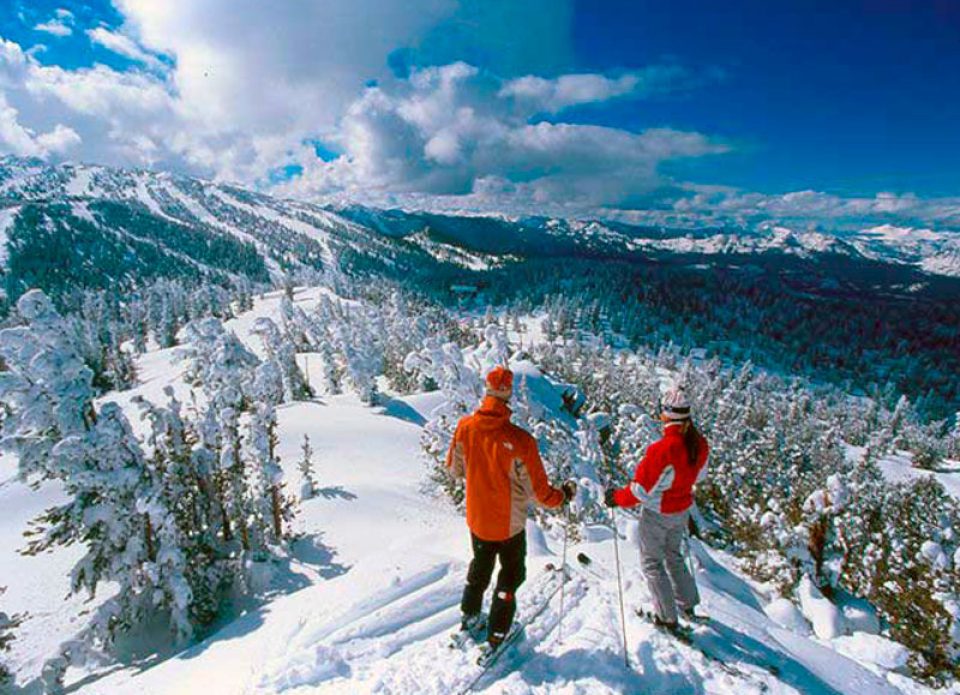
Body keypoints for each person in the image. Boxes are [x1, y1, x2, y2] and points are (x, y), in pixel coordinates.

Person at [447, 365, 576, 649]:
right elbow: (541, 493)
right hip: (509, 525)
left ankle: (469, 616)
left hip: (477, 519)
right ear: (508, 393)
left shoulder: (465, 427)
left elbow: (454, 469)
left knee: (480, 566)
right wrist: (563, 496)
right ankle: (497, 634)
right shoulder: (521, 441)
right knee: (511, 574)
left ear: (487, 389)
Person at [604, 386, 709, 631]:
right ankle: (687, 603)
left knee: (652, 562)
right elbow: (699, 476)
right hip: (681, 511)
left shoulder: (662, 449)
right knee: (674, 555)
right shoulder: (699, 444)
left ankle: (666, 617)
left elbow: (638, 492)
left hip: (657, 514)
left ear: (666, 415)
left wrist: (615, 498)